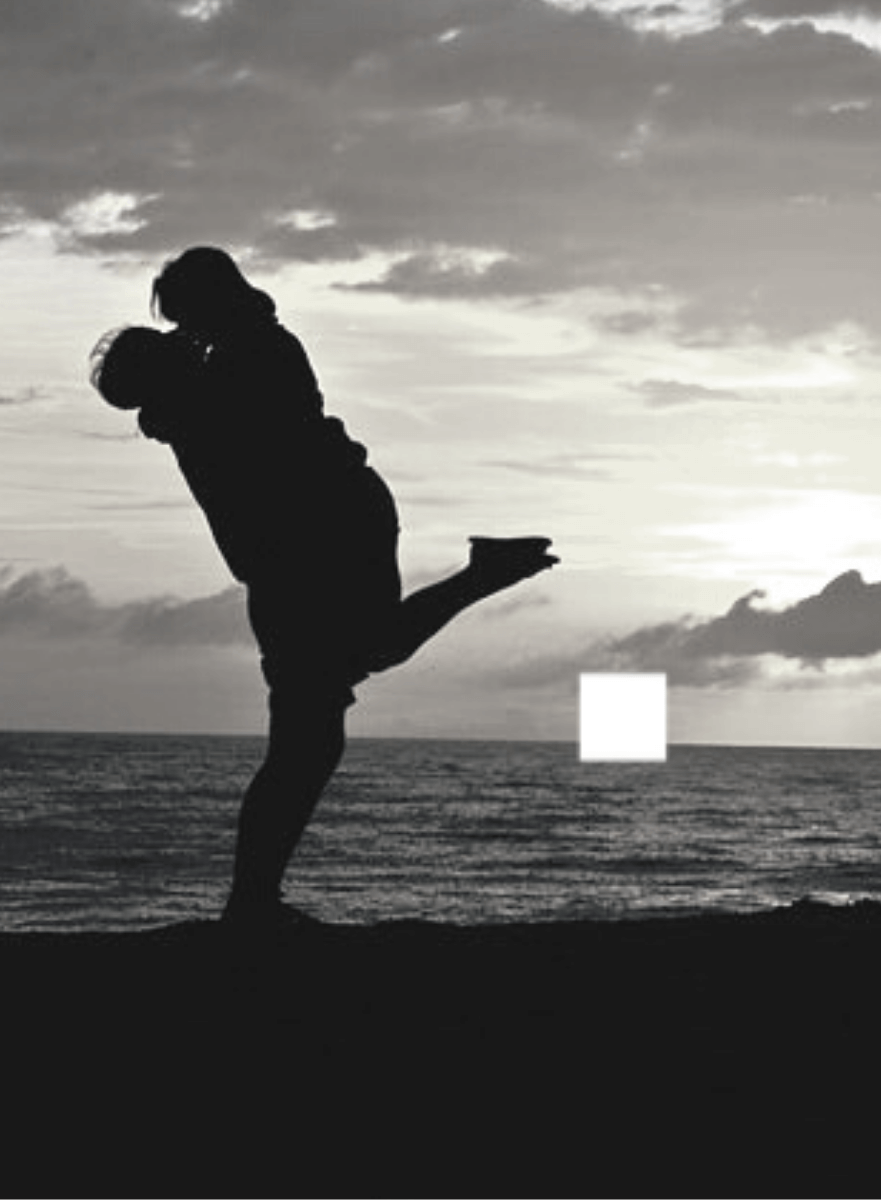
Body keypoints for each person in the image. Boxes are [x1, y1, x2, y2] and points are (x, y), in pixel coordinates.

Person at [91, 247, 557, 928]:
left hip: (319, 543)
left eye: (183, 317)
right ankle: (253, 900)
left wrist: (186, 358)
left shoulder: (237, 364)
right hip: (312, 544)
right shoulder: (219, 373)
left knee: (314, 723)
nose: (178, 330)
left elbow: (230, 414)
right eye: (172, 327)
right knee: (335, 700)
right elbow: (195, 405)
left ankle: (251, 902)